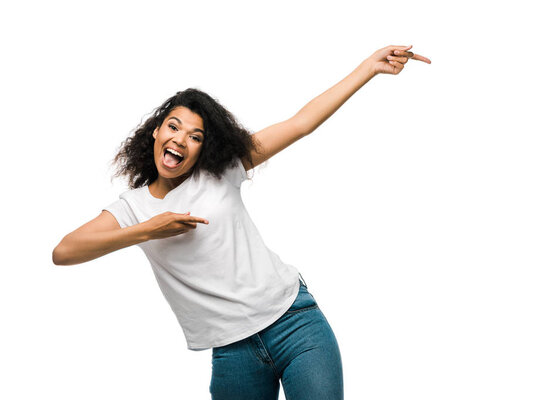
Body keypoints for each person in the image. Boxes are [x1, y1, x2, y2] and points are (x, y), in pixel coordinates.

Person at [52, 44, 431, 400]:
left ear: (204, 147)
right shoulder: (132, 208)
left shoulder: (220, 171)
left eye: (195, 135)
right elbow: (64, 251)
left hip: (295, 322)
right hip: (232, 349)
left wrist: (368, 68)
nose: (180, 139)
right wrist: (149, 230)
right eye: (173, 126)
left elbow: (301, 123)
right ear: (156, 131)